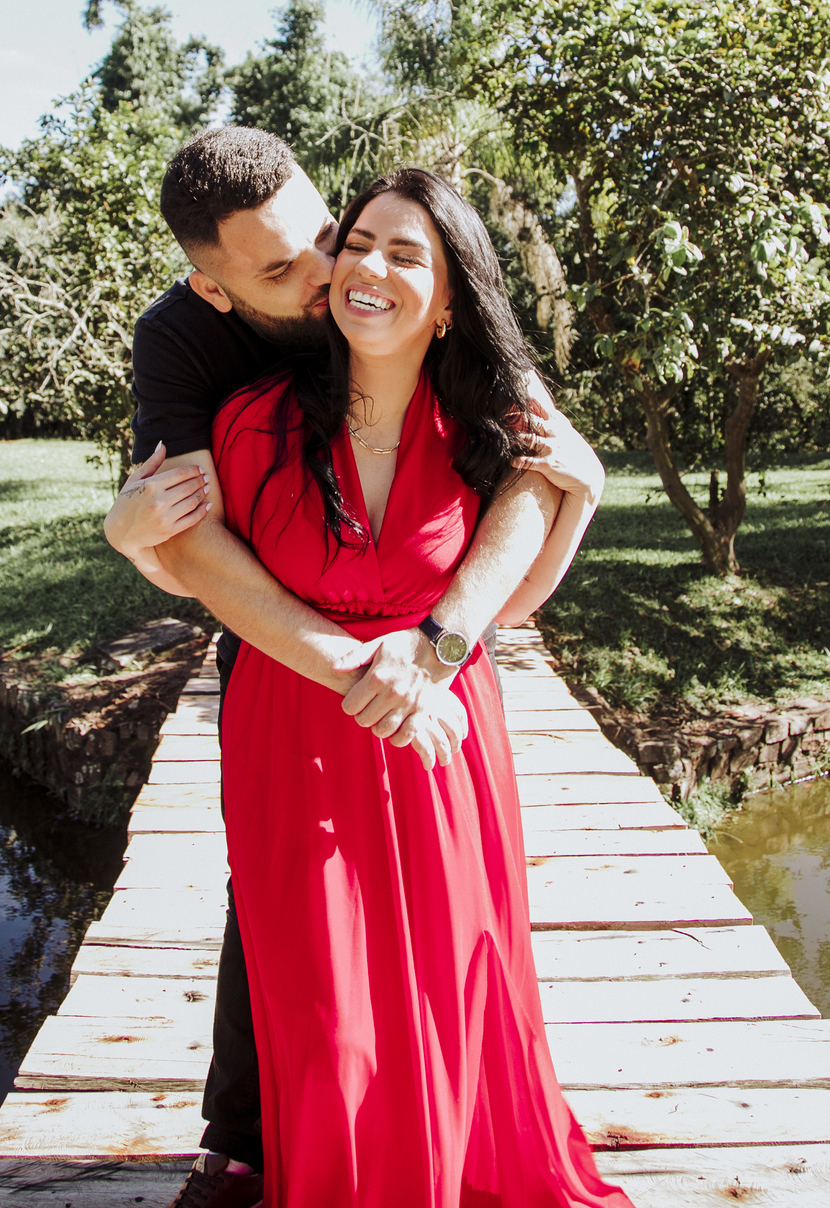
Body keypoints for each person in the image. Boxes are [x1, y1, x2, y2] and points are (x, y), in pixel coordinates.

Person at [105, 130, 608, 1207]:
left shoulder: (464, 380)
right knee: (301, 957)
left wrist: (437, 648)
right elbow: (184, 537)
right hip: (294, 679)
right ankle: (245, 1142)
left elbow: (532, 501)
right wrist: (130, 538)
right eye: (286, 269)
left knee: (458, 961)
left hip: (439, 701)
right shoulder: (197, 358)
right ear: (219, 288)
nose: (337, 271)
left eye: (332, 237)